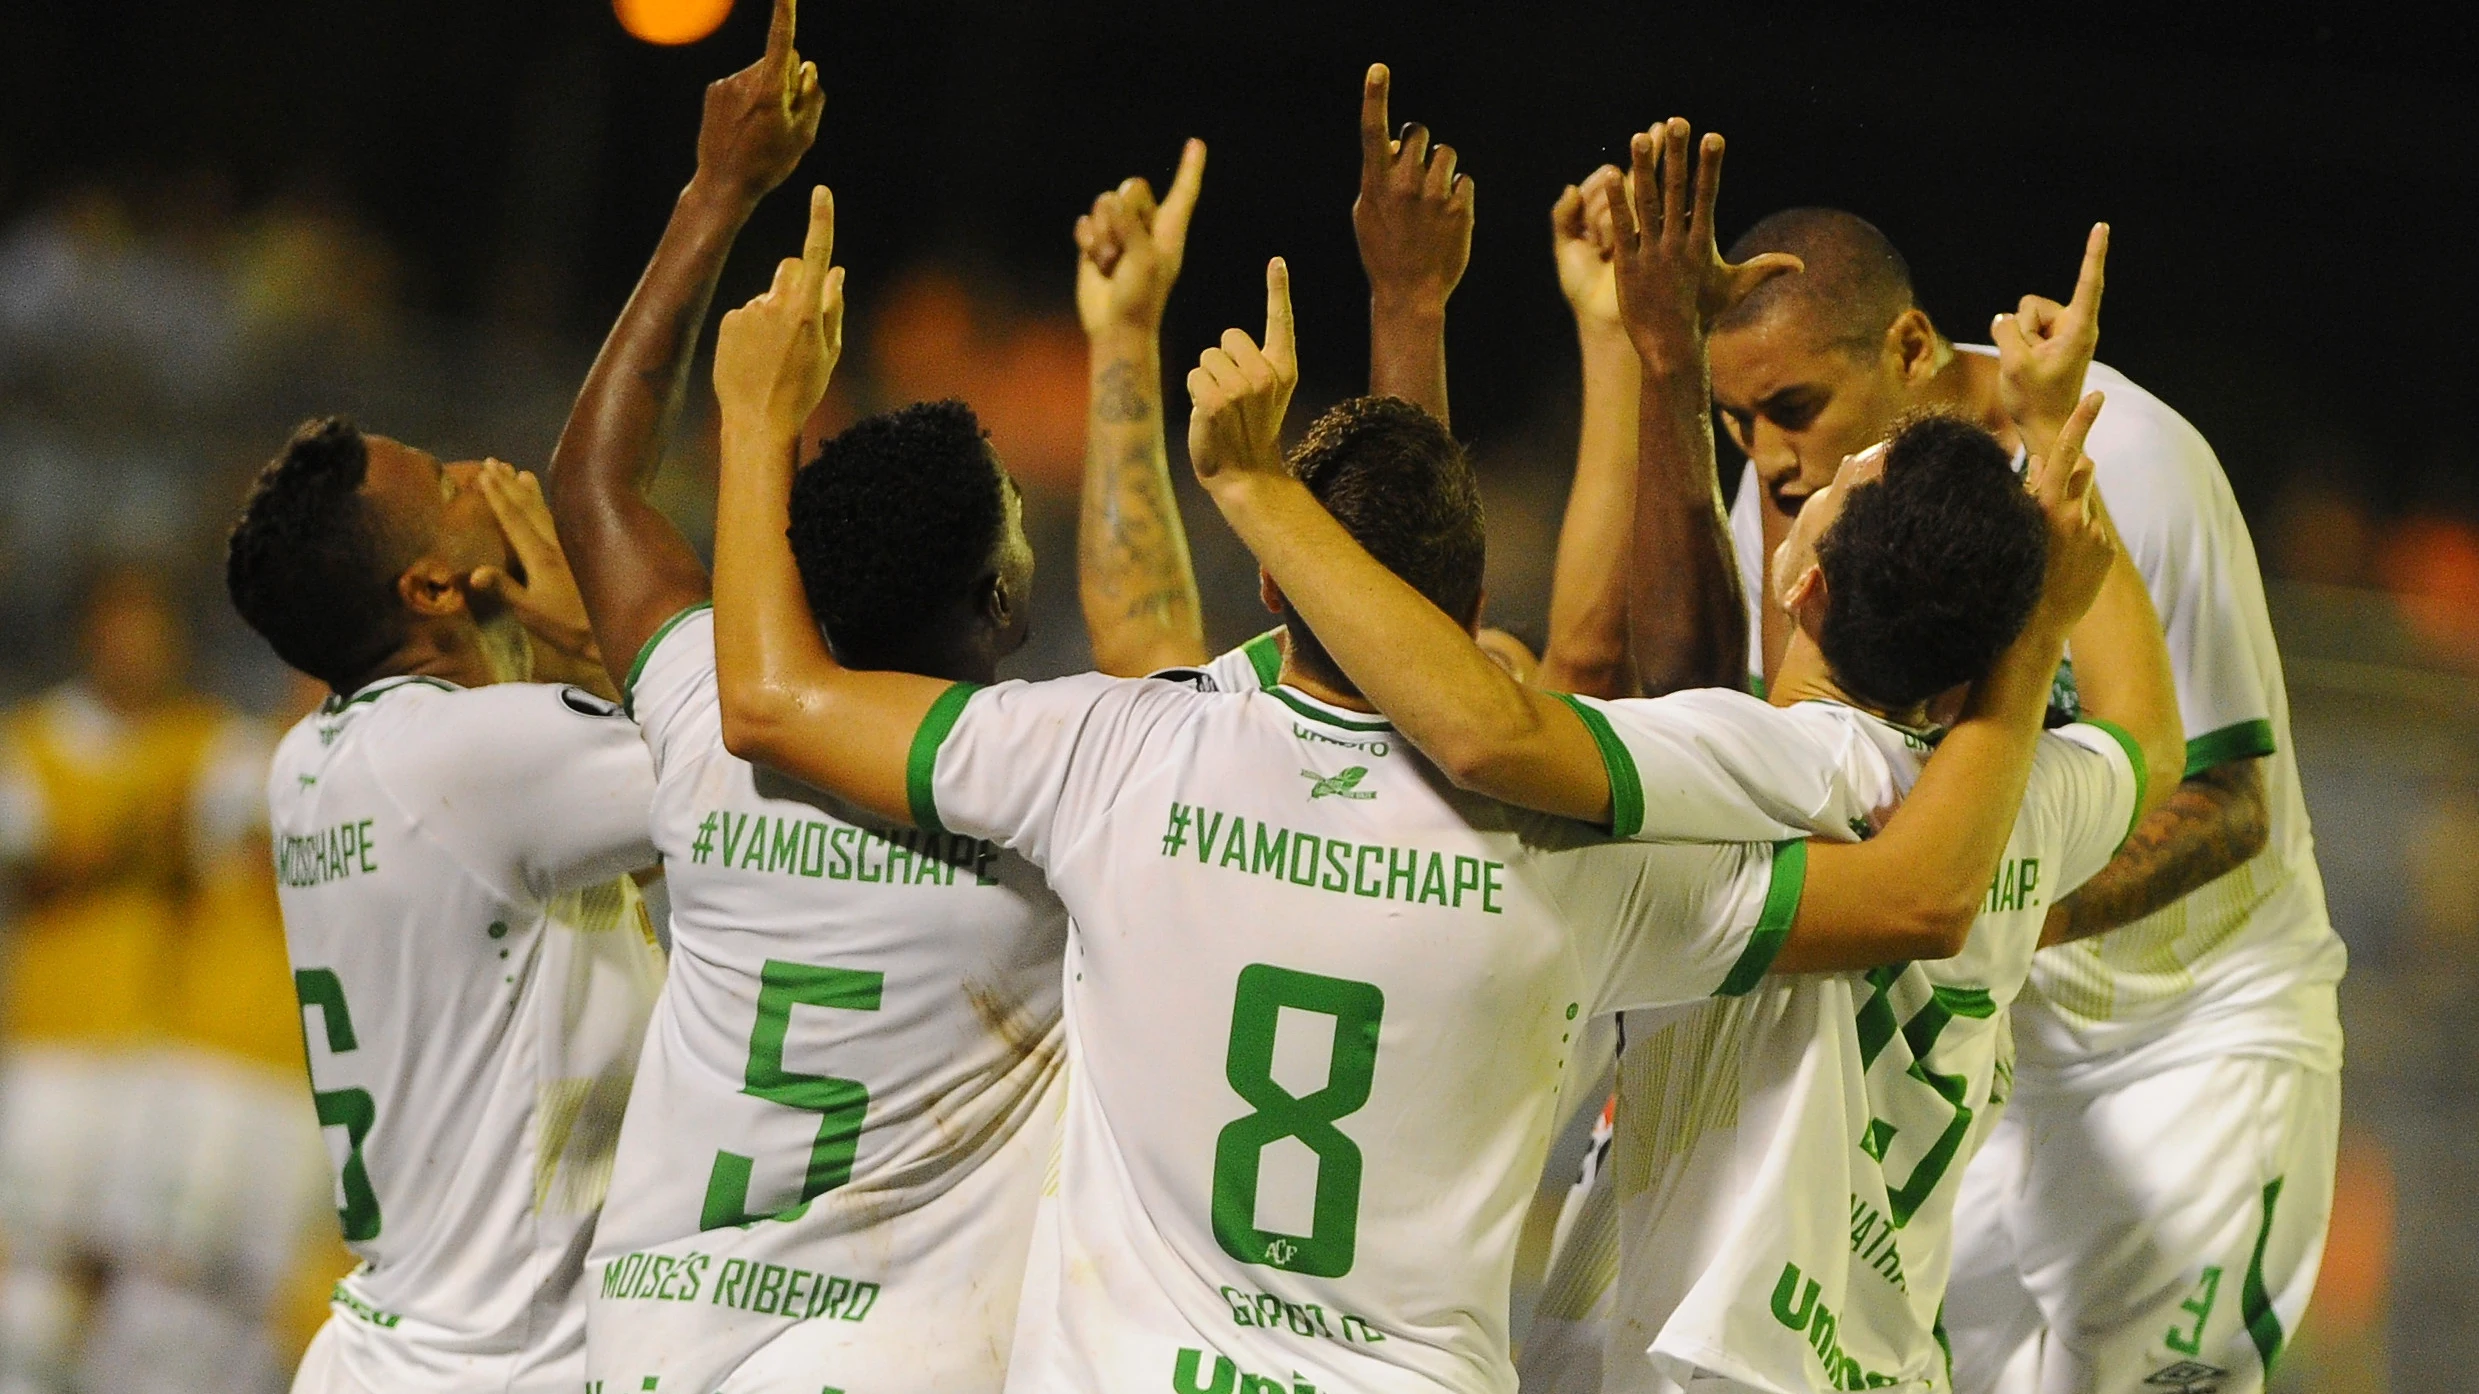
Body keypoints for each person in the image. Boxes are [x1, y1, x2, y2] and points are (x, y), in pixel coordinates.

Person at [696, 158, 2124, 1391]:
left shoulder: (1123, 753)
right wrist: (2039, 618)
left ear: (1268, 585)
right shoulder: (1586, 863)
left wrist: (758, 415)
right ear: (1465, 619)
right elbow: (1913, 889)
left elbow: (770, 699)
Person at [1194, 119, 2181, 1392]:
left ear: (1806, 583)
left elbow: (1487, 719)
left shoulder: (1754, 771)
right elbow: (2148, 739)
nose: (1778, 473)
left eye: (1806, 492)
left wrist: (1264, 482)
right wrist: (2046, 459)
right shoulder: (2026, 791)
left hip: (1701, 1364)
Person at [542, 11, 1197, 1387]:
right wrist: (1124, 345)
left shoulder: (704, 720)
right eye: (1017, 542)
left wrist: (718, 196)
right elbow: (1160, 661)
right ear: (999, 608)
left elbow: (593, 484)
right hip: (895, 1358)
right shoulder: (1049, 785)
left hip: (651, 1335)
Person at [1705, 209, 2341, 1394]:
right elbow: (1798, 755)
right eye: (1734, 422)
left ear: (1905, 347)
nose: (1768, 456)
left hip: (2184, 1049)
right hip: (1985, 1056)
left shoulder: (2129, 451)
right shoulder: (1803, 494)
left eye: (1792, 408)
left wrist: (1986, 911)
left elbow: (2226, 799)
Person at [228, 408, 664, 1393]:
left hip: (388, 1348)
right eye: (443, 477)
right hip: (511, 1359)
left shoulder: (310, 760)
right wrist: (596, 635)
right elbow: (748, 763)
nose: (482, 468)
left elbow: (611, 863)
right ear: (428, 585)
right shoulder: (481, 753)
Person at [0, 567, 332, 1394]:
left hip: (166, 1044)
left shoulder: (207, 742)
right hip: (65, 1046)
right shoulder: (36, 742)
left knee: (199, 1295)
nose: (138, 649)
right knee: (49, 1273)